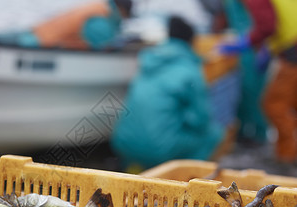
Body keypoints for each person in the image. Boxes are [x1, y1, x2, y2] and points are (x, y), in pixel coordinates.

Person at [110, 16, 228, 171]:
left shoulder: (148, 61)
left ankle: (135, 171)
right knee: (214, 134)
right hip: (158, 149)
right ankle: (188, 177)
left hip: (124, 144)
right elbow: (201, 120)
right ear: (191, 42)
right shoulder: (190, 69)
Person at [218, 0, 297, 163]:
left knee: (275, 104)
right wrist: (269, 48)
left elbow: (267, 25)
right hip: (289, 47)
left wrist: (247, 42)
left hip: (293, 50)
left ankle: (288, 158)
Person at [221, 0, 270, 144]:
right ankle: (242, 131)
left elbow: (264, 22)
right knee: (241, 90)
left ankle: (260, 135)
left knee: (254, 91)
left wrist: (261, 45)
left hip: (253, 44)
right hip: (244, 43)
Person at [19, 0, 132, 50]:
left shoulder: (99, 7)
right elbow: (101, 45)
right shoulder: (102, 20)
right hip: (41, 44)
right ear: (122, 11)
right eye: (126, 16)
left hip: (36, 34)